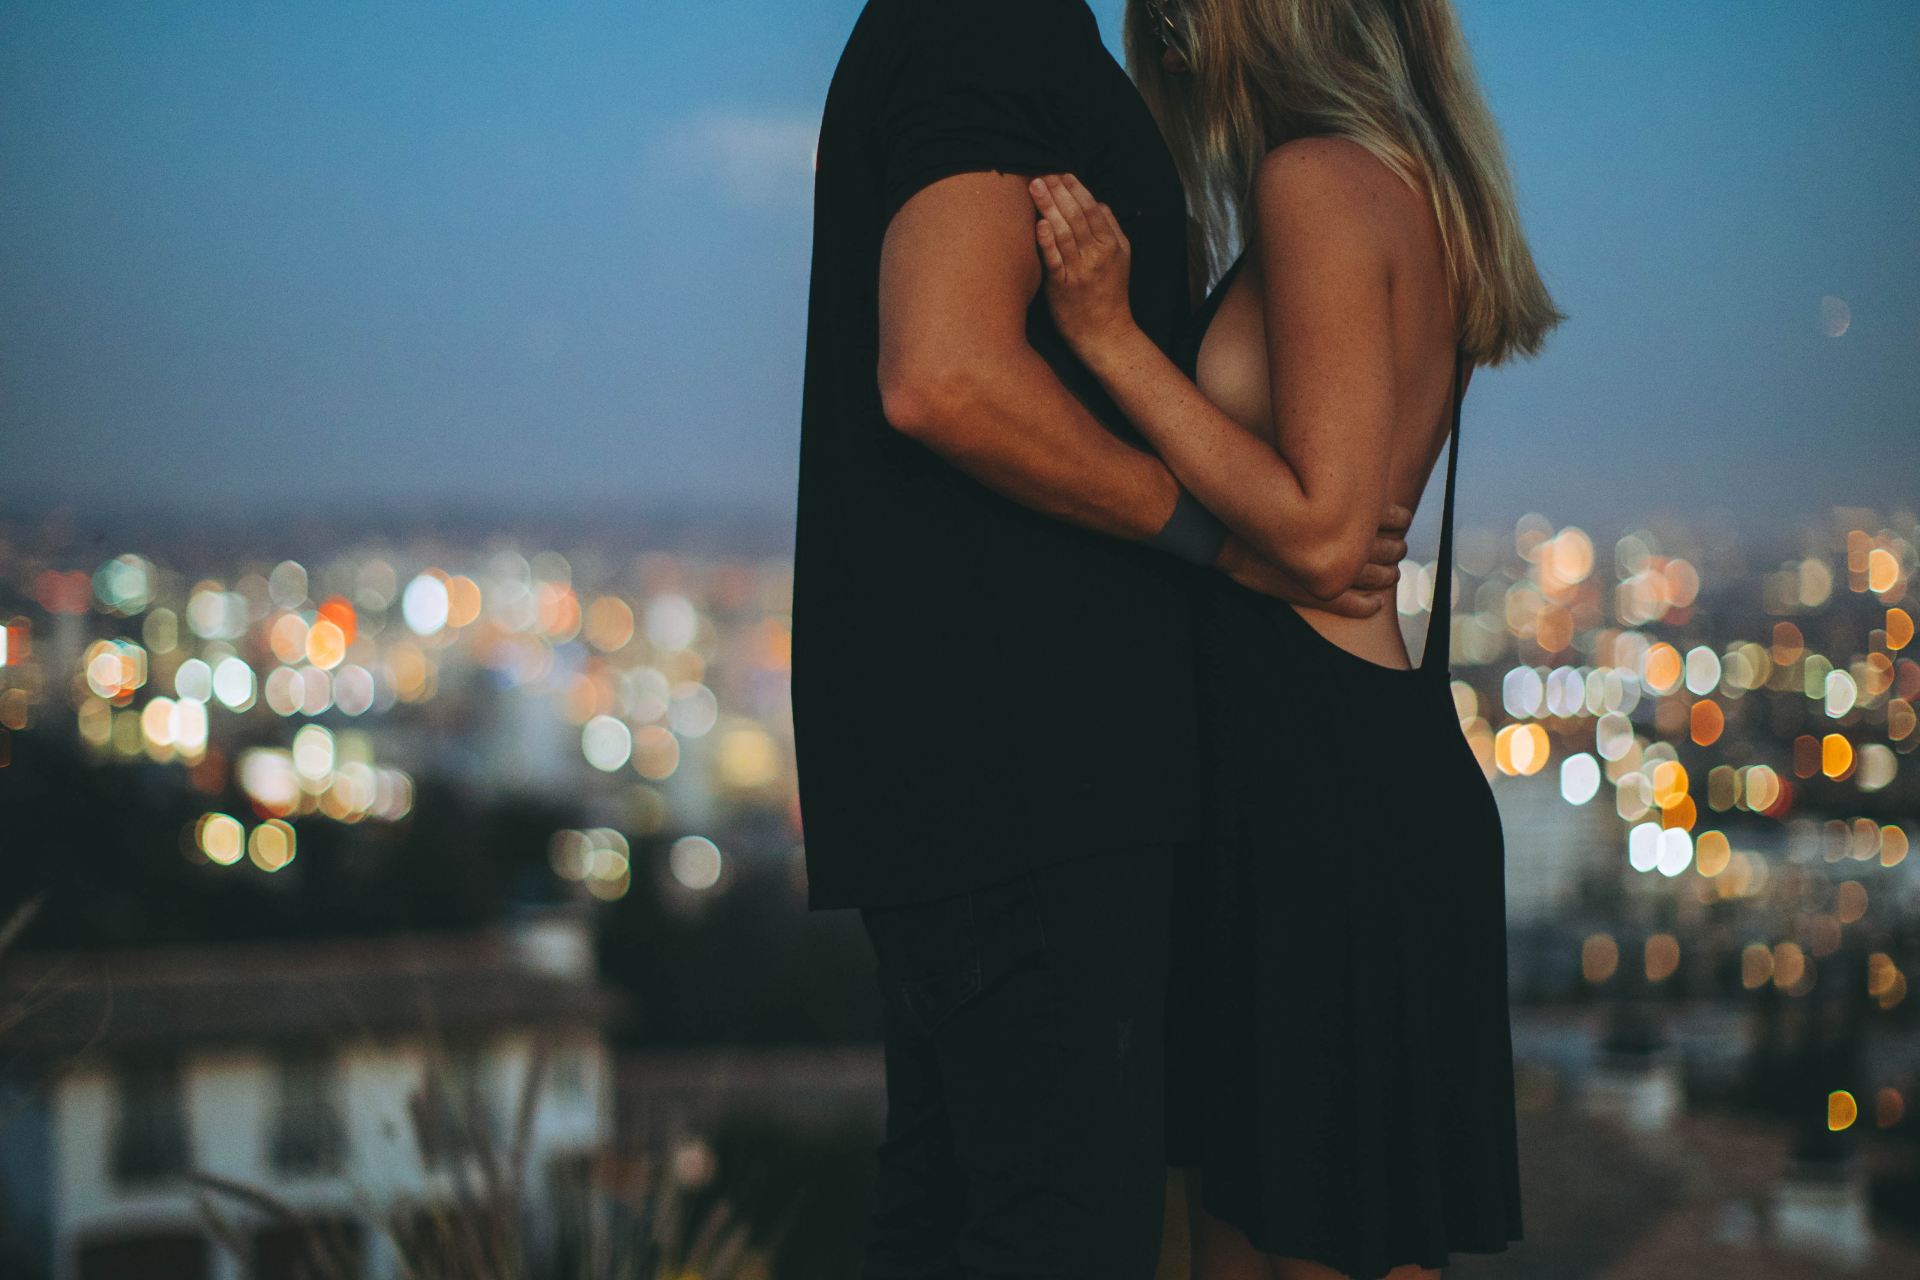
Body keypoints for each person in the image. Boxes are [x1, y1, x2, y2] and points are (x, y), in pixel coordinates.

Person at [791, 1, 1411, 1275]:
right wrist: (1209, 531)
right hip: (1030, 778)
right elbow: (942, 372)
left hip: (985, 776)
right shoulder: (989, 22)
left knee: (960, 1217)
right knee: (1054, 1233)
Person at [1018, 1, 1563, 1277]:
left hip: (1313, 797)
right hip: (1357, 778)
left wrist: (1108, 340)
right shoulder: (1421, 192)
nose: (1160, 13)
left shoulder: (1315, 181)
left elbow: (1322, 535)